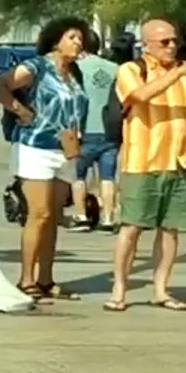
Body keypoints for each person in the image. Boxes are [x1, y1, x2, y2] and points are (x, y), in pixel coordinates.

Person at [0, 17, 89, 302]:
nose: (78, 43)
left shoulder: (75, 73)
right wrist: (19, 110)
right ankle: (26, 279)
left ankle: (46, 279)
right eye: (72, 37)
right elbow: (0, 84)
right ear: (56, 40)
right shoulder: (37, 66)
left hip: (65, 150)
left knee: (53, 217)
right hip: (35, 147)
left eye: (81, 38)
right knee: (38, 214)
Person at [106, 18, 186, 312]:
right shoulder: (131, 70)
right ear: (147, 45)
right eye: (164, 42)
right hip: (142, 162)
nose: (171, 46)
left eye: (175, 41)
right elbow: (139, 96)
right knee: (132, 228)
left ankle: (161, 289)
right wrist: (177, 74)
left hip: (178, 162)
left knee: (170, 229)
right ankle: (119, 288)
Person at [70, 29, 122, 231]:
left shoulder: (75, 68)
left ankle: (81, 215)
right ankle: (108, 218)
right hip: (110, 130)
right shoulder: (115, 68)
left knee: (79, 175)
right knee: (108, 176)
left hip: (83, 130)